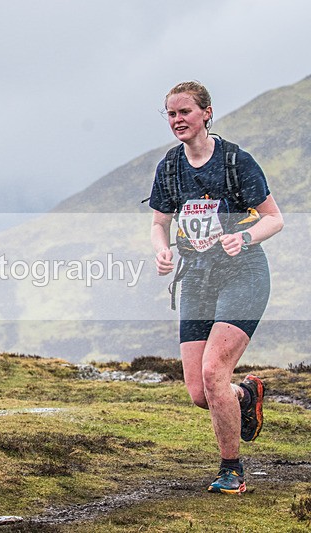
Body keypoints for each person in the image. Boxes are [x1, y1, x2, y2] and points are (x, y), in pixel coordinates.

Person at [149, 81, 283, 494]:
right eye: (171, 114)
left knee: (213, 372)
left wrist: (244, 237)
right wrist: (162, 251)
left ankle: (232, 471)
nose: (177, 120)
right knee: (199, 391)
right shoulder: (170, 167)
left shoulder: (235, 161)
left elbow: (274, 218)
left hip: (243, 274)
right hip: (197, 279)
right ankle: (246, 395)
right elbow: (159, 222)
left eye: (185, 112)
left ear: (206, 113)